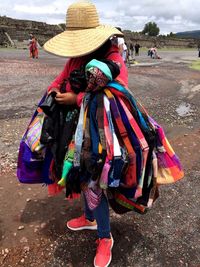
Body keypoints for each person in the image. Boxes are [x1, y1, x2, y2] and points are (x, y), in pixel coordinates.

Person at [17, 2, 184, 267]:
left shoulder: (113, 59)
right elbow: (62, 76)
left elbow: (115, 96)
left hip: (101, 131)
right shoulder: (77, 58)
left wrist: (76, 98)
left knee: (94, 179)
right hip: (74, 129)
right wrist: (53, 90)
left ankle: (105, 237)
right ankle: (90, 218)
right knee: (79, 174)